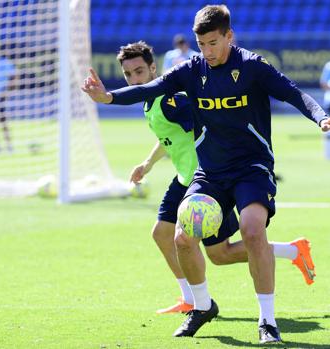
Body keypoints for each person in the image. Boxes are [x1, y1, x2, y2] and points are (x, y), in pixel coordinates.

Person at [82, 5, 330, 344]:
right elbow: (150, 89)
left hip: (251, 167)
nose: (207, 52)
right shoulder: (191, 70)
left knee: (253, 232)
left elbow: (294, 93)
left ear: (229, 36)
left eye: (213, 43)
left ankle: (267, 321)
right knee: (182, 237)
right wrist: (107, 98)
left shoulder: (252, 66)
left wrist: (321, 117)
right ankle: (202, 305)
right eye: (201, 44)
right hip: (210, 173)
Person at [116, 41, 317, 315]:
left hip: (208, 179)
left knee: (219, 254)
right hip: (185, 178)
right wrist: (148, 163)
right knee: (168, 236)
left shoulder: (172, 100)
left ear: (154, 68)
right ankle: (192, 298)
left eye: (140, 72)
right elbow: (170, 137)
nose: (134, 79)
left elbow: (204, 123)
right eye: (128, 75)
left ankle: (289, 253)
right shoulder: (152, 102)